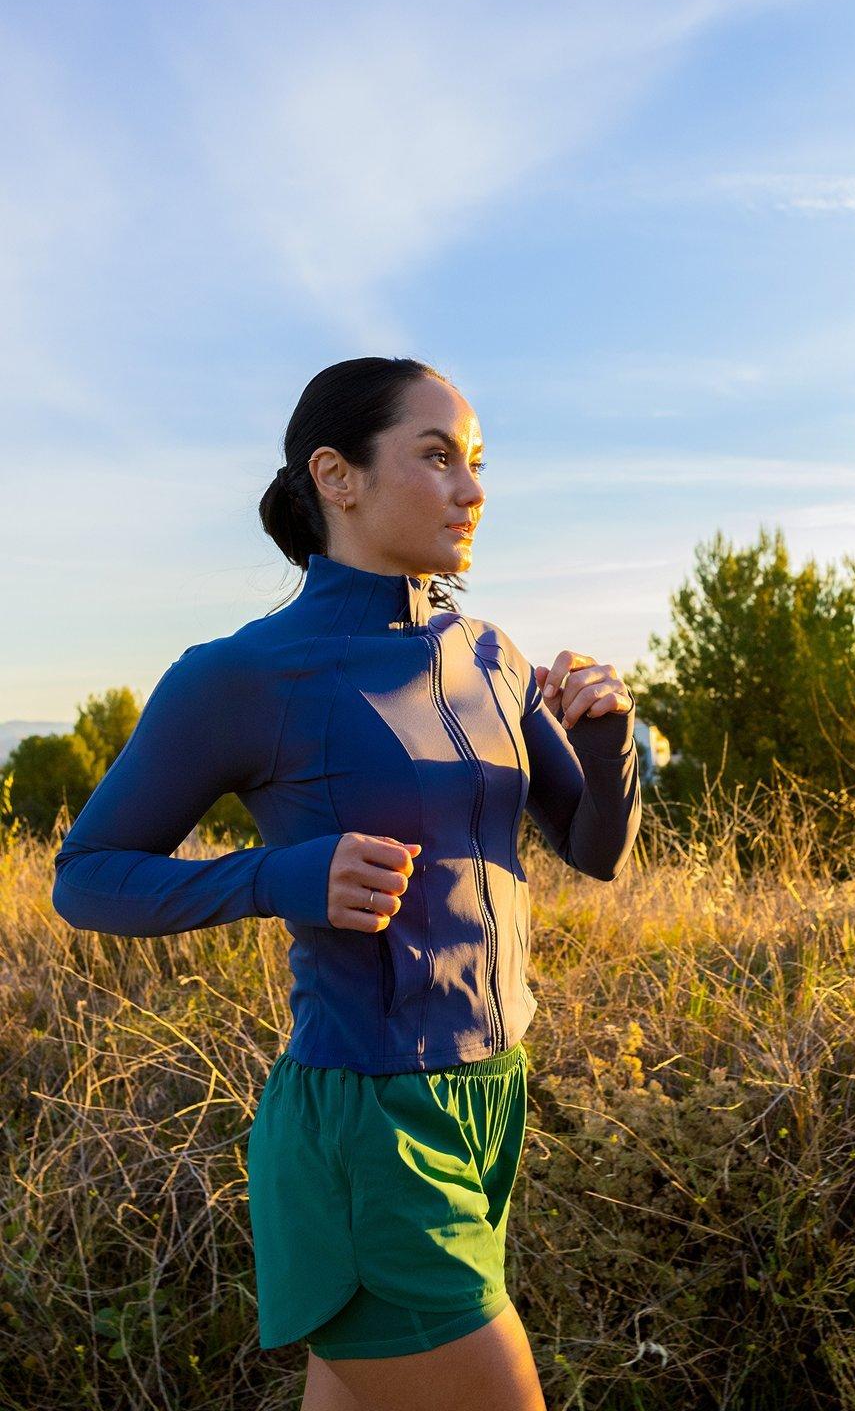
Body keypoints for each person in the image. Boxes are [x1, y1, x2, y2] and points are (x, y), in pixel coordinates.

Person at [51, 356, 642, 1410]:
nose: (472, 489)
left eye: (477, 464)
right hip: (370, 1124)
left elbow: (593, 850)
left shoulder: (491, 655)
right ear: (338, 475)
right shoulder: (242, 675)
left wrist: (609, 741)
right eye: (436, 457)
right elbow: (87, 878)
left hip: (494, 1096)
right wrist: (282, 876)